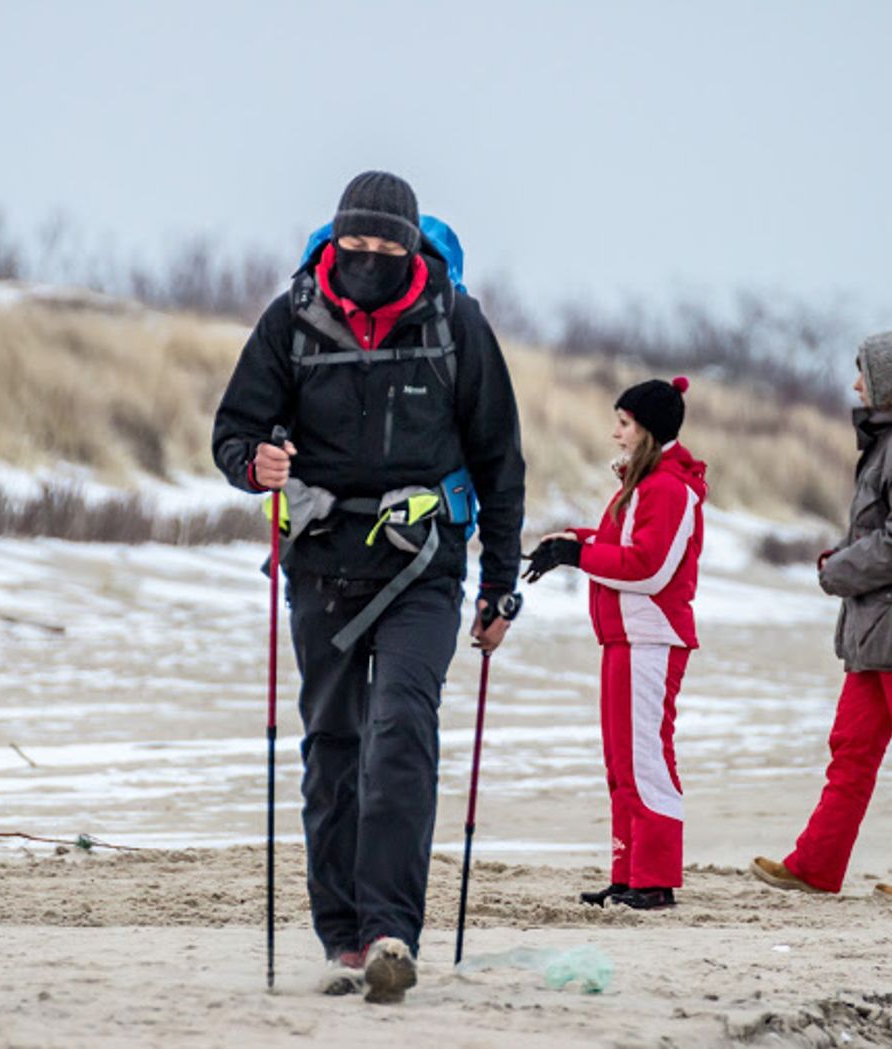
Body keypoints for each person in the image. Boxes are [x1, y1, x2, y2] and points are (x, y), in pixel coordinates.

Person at [212, 171, 526, 1003]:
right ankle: (344, 937)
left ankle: (393, 932)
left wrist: (501, 583)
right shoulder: (293, 318)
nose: (371, 260)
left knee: (399, 733)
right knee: (334, 746)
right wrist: (255, 463)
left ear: (413, 245)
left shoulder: (456, 322)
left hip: (423, 565)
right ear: (334, 240)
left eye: (388, 247)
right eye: (356, 246)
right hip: (321, 561)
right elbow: (233, 428)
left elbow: (499, 459)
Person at [752, 330, 892, 903]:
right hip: (879, 629)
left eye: (864, 375)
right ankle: (815, 867)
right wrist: (848, 566)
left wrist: (841, 567)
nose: (855, 385)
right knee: (850, 750)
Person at [522, 376, 706, 909]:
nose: (615, 433)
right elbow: (617, 544)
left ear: (648, 429)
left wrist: (578, 558)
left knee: (645, 758)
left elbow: (648, 567)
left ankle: (655, 879)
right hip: (623, 639)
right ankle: (629, 873)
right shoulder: (642, 485)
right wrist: (568, 542)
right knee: (621, 761)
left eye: (623, 423)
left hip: (651, 639)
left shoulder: (669, 489)